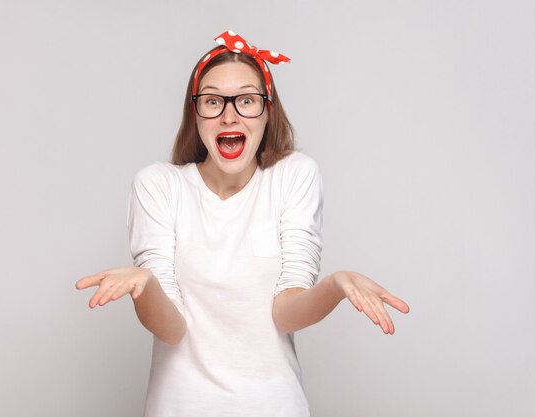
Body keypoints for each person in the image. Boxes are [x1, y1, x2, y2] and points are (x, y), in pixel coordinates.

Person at [76, 30, 410, 417]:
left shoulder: (293, 176)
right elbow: (171, 329)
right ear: (195, 113)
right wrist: (146, 286)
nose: (229, 114)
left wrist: (334, 286)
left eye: (247, 100)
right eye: (214, 101)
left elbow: (286, 313)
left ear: (268, 112)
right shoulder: (159, 185)